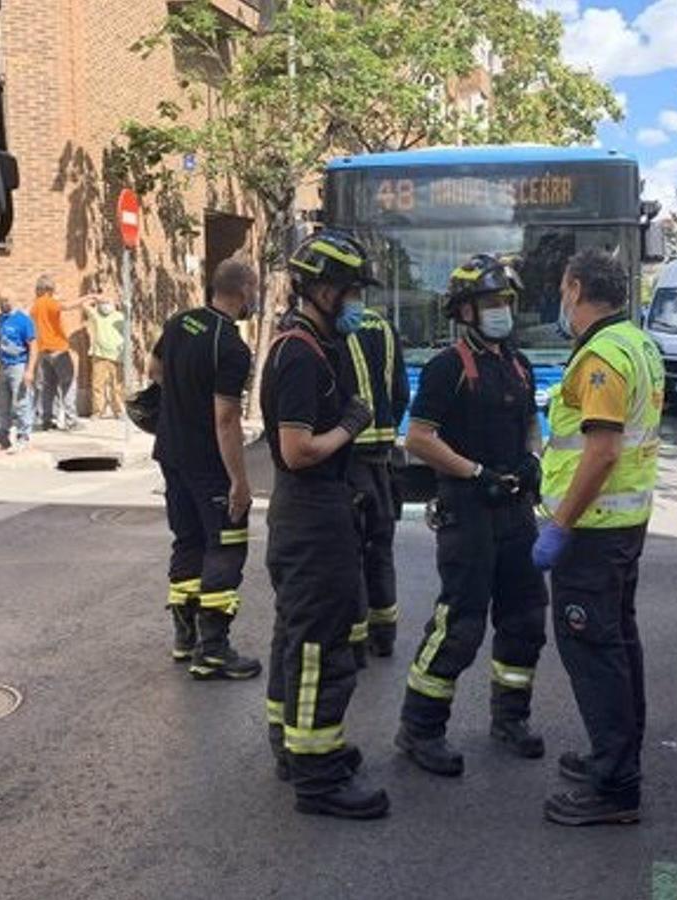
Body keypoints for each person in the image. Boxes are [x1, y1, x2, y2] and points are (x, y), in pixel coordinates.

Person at [394, 254, 549, 778]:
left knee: (525, 618)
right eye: (490, 301)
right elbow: (418, 438)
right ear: (464, 311)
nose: (501, 309)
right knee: (460, 625)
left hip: (515, 512)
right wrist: (476, 473)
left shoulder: (518, 363)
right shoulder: (448, 367)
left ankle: (511, 719)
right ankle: (420, 729)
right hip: (468, 510)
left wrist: (532, 459)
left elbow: (531, 424)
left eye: (506, 300)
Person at [531, 248, 664, 827]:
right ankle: (617, 757)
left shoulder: (602, 356)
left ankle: (615, 787)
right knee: (618, 644)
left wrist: (560, 525)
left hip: (592, 530)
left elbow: (602, 451)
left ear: (577, 289)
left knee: (593, 651)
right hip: (622, 525)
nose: (562, 299)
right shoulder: (638, 343)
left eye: (564, 288)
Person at [261, 230, 388, 819]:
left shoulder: (316, 344)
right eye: (351, 290)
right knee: (320, 646)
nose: (357, 302)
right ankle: (318, 774)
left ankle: (296, 746)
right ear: (322, 290)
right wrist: (350, 426)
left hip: (316, 510)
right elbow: (297, 451)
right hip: (311, 515)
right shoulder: (299, 354)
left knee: (296, 634)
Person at [148, 259, 262, 681]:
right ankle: (213, 650)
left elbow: (154, 370)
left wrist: (181, 400)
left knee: (188, 540)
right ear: (244, 290)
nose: (255, 298)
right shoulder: (230, 347)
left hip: (171, 453)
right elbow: (226, 419)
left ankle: (185, 638)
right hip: (208, 464)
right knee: (226, 547)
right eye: (255, 290)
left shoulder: (180, 322)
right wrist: (240, 482)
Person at [343, 296, 409, 664]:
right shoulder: (383, 326)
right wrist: (387, 428)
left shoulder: (331, 329)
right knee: (380, 548)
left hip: (346, 457)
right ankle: (384, 635)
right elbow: (401, 392)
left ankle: (354, 642)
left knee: (349, 552)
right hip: (382, 460)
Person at [30, 273, 82, 431]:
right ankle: (71, 421)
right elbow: (67, 306)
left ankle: (47, 420)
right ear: (49, 288)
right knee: (68, 384)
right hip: (59, 349)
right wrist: (88, 298)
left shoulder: (35, 306)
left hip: (44, 352)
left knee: (48, 387)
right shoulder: (50, 302)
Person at [0, 290, 37, 453]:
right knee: (2, 403)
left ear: (13, 300)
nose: (2, 304)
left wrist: (29, 370)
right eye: (0, 301)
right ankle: (3, 437)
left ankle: (23, 436)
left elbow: (33, 346)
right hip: (3, 365)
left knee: (21, 402)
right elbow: (0, 340)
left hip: (19, 365)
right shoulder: (0, 319)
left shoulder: (23, 320)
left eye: (5, 300)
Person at [85, 292, 128, 419]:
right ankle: (98, 411)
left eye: (108, 303)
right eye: (103, 303)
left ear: (114, 304)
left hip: (117, 356)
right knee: (98, 385)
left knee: (117, 386)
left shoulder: (120, 317)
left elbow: (128, 322)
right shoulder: (96, 315)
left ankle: (119, 411)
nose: (105, 306)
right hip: (99, 355)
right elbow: (84, 305)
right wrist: (96, 298)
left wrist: (121, 304)